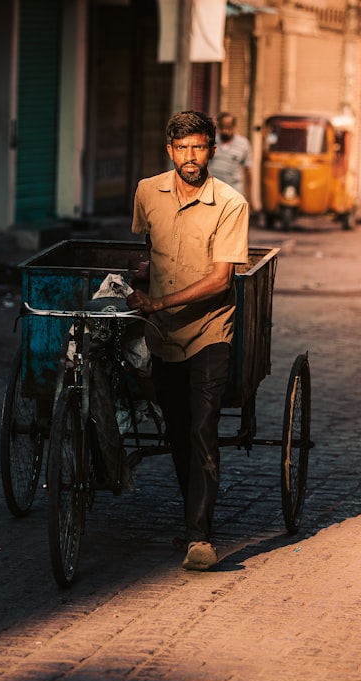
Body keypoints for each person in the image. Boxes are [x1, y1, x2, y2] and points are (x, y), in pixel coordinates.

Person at [125, 110, 250, 571]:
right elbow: (148, 250)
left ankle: (200, 538)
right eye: (182, 149)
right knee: (177, 432)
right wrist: (143, 281)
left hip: (209, 332)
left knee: (202, 430)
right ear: (170, 151)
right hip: (162, 339)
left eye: (199, 148)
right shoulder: (146, 192)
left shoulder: (231, 203)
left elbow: (221, 281)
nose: (190, 157)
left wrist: (158, 303)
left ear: (212, 151)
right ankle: (191, 517)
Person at [209, 111, 253, 198]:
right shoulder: (212, 141)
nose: (225, 131)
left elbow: (248, 172)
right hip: (213, 191)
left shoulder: (243, 144)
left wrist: (249, 198)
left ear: (233, 126)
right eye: (222, 127)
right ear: (218, 127)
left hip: (234, 192)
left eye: (228, 127)